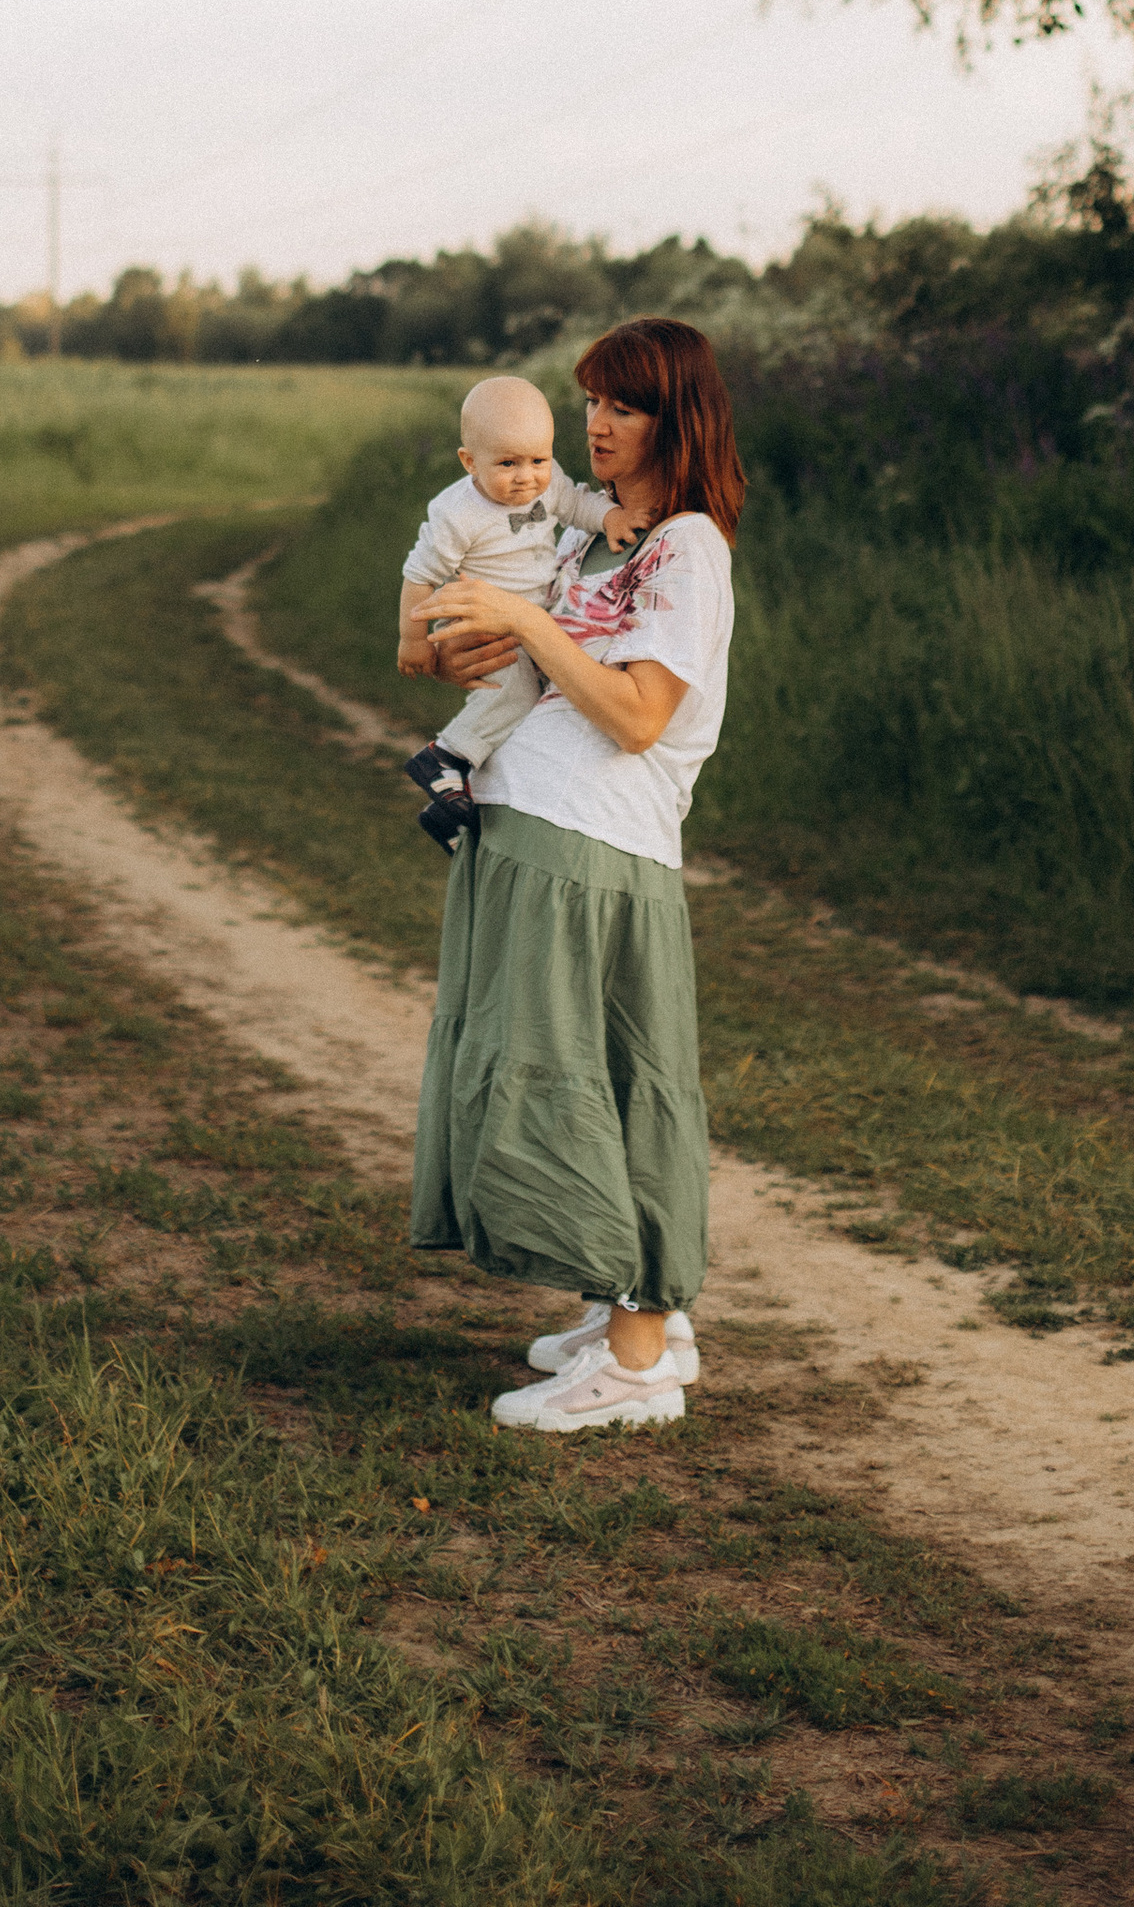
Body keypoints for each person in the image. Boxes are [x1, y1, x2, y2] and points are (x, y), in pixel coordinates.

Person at [405, 314, 744, 1437]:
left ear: (675, 419)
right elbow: (537, 668)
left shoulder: (685, 550)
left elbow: (641, 716)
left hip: (597, 846)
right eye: (591, 400)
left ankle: (640, 1364)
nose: (596, 425)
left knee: (613, 1082)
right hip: (531, 828)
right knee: (560, 1069)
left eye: (625, 406)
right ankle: (626, 1315)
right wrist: (465, 645)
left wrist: (524, 623)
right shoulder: (583, 535)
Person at [395, 372, 629, 848]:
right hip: (482, 619)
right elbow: (419, 576)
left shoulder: (547, 483)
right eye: (507, 463)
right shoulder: (456, 514)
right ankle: (444, 757)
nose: (526, 476)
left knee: (529, 707)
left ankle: (449, 811)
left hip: (531, 616)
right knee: (515, 690)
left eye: (538, 460)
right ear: (469, 462)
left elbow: (577, 504)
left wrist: (610, 518)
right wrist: (414, 640)